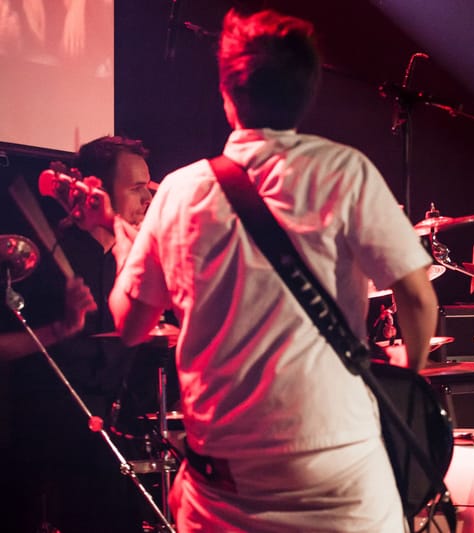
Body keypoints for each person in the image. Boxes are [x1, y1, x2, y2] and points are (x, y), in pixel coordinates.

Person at [109, 7, 438, 533]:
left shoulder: (177, 191)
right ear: (309, 94)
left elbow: (131, 324)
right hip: (337, 467)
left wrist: (118, 240)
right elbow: (419, 297)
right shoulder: (344, 171)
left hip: (225, 485)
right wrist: (409, 376)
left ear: (225, 92)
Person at [3, 134, 156, 533]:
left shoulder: (138, 260)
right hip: (47, 449)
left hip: (113, 439)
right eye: (136, 188)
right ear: (97, 191)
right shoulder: (42, 258)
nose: (147, 199)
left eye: (149, 187)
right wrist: (60, 329)